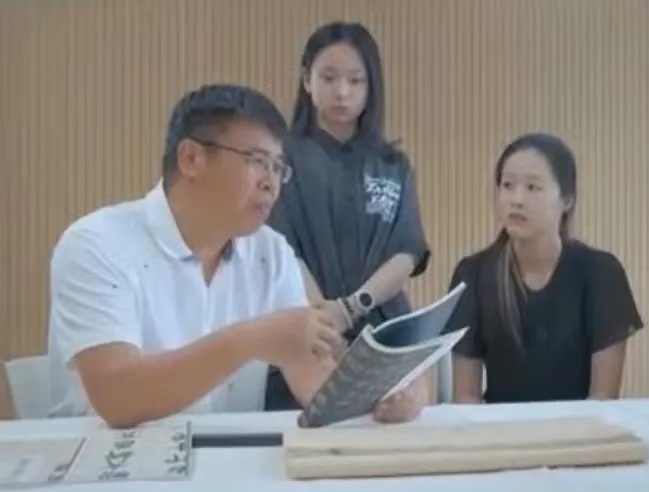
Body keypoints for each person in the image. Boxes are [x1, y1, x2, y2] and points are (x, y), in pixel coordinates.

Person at [45, 83, 426, 428]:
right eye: (257, 160)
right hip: (100, 466)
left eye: (278, 168)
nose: (270, 182)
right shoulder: (97, 244)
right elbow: (118, 399)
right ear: (191, 158)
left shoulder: (271, 252)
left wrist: (387, 390)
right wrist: (249, 340)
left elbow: (314, 378)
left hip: (227, 464)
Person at [265, 22, 431, 410]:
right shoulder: (281, 157)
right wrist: (326, 320)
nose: (342, 91)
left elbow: (407, 251)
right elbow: (281, 249)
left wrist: (352, 307)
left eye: (355, 80)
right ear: (307, 80)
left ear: (371, 86)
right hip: (308, 330)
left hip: (384, 330)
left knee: (397, 422)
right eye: (329, 78)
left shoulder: (392, 164)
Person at [445, 133, 644, 404]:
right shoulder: (473, 274)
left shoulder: (601, 273)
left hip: (580, 426)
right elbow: (466, 397)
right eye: (507, 185)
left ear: (567, 200)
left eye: (533, 187)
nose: (516, 199)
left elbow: (603, 397)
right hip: (500, 427)